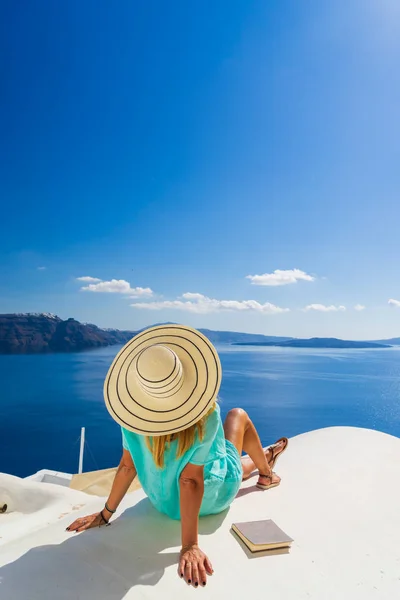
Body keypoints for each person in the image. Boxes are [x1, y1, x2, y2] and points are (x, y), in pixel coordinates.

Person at [67, 325, 288, 588]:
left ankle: (263, 460)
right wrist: (190, 545)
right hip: (210, 497)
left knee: (229, 463)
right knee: (237, 417)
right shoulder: (206, 416)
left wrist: (105, 514)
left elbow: (127, 467)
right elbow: (191, 481)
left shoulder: (133, 420)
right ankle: (266, 472)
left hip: (164, 503)